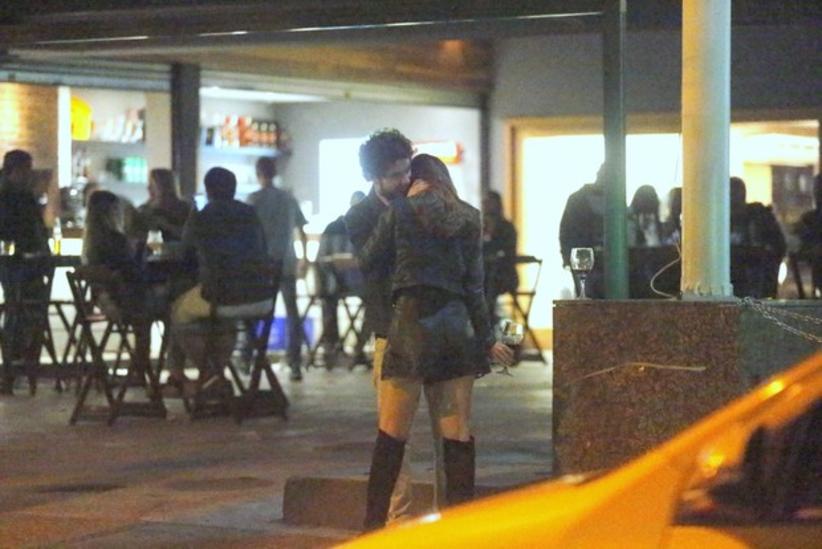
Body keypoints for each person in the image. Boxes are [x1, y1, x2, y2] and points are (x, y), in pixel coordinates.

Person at [357, 153, 514, 531]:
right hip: (456, 329)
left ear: (414, 179)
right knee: (456, 435)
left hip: (410, 325)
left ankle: (373, 529)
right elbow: (475, 287)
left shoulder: (399, 211)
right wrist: (486, 339)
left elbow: (368, 259)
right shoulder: (469, 216)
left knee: (392, 435)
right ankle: (459, 531)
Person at [345, 129, 416, 524]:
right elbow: (372, 266)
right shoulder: (360, 216)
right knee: (393, 433)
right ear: (373, 177)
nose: (404, 180)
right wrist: (399, 213)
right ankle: (397, 521)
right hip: (390, 329)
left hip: (430, 325)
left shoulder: (422, 201)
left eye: (407, 170)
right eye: (394, 175)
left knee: (450, 430)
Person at [171, 167, 274, 390]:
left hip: (222, 296)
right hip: (262, 298)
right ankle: (216, 376)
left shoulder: (203, 216)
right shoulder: (250, 213)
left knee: (177, 312)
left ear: (207, 190)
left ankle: (210, 373)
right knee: (225, 322)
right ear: (234, 189)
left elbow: (184, 254)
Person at [82, 190, 168, 385]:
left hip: (105, 300)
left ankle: (140, 369)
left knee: (148, 309)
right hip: (123, 301)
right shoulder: (116, 240)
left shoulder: (90, 242)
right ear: (113, 212)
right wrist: (141, 247)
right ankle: (144, 369)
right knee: (167, 309)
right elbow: (134, 273)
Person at [247, 157, 307, 381]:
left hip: (262, 265)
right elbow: (301, 230)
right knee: (292, 313)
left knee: (255, 311)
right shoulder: (289, 198)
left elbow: (247, 232)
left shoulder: (253, 200)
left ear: (258, 174)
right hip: (287, 262)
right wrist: (303, 258)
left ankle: (249, 356)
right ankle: (295, 363)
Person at [0, 150, 51, 394]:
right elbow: (32, 229)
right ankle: (19, 365)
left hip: (19, 263)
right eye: (26, 169)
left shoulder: (16, 194)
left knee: (19, 310)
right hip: (21, 263)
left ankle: (16, 366)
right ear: (16, 170)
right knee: (22, 310)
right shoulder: (15, 196)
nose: (30, 174)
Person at [316, 191, 366, 367]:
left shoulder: (332, 227)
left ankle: (333, 348)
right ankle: (357, 348)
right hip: (353, 283)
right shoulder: (367, 229)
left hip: (335, 283)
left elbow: (320, 259)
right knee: (376, 302)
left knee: (329, 301)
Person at [730, 176, 787, 298]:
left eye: (736, 194)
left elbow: (779, 247)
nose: (734, 199)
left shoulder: (759, 217)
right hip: (738, 285)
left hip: (754, 285)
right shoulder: (717, 221)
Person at [558, 166, 606, 298]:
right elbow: (566, 232)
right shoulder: (578, 200)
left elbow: (564, 231)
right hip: (584, 261)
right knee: (587, 298)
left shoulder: (577, 199)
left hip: (588, 260)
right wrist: (568, 257)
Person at [481, 190, 518, 325]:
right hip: (484, 273)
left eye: (489, 202)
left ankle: (488, 319)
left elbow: (508, 251)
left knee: (489, 282)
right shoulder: (480, 227)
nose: (486, 206)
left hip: (503, 274)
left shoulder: (507, 227)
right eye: (484, 203)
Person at [136, 168, 192, 242]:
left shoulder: (183, 208)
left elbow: (190, 235)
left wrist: (166, 226)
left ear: (164, 187)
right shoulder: (144, 210)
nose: (148, 188)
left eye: (153, 185)